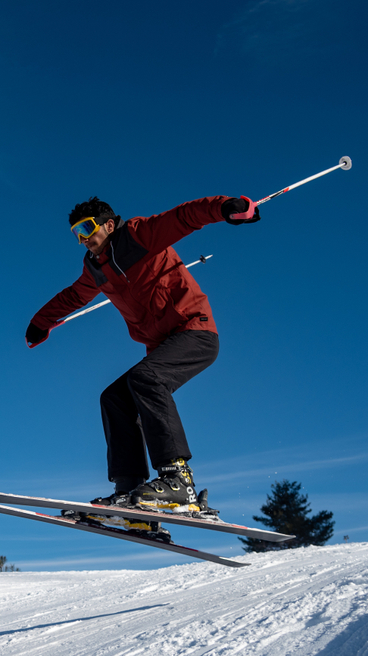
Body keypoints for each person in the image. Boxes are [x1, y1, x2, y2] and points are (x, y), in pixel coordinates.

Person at [25, 194, 260, 514]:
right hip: (163, 346)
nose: (82, 239)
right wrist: (41, 322)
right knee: (115, 398)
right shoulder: (95, 268)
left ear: (108, 224)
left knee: (145, 378)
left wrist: (225, 207)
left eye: (86, 228)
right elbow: (74, 296)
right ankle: (130, 489)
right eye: (75, 234)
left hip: (195, 331)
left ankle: (179, 480)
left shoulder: (138, 234)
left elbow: (184, 217)